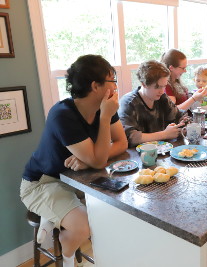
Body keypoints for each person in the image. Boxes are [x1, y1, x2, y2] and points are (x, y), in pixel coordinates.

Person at [20, 55, 128, 267]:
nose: (116, 86)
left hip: (78, 177)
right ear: (95, 86)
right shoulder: (62, 115)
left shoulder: (104, 107)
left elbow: (122, 143)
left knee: (117, 209)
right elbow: (100, 160)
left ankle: (52, 218)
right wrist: (105, 120)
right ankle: (69, 261)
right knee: (83, 227)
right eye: (112, 80)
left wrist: (89, 161)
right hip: (42, 184)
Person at [118, 60, 187, 146]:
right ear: (144, 84)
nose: (162, 91)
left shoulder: (162, 97)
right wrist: (165, 134)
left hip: (162, 151)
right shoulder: (128, 103)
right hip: (138, 155)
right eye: (157, 87)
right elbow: (129, 137)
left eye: (164, 86)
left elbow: (179, 115)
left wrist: (184, 124)